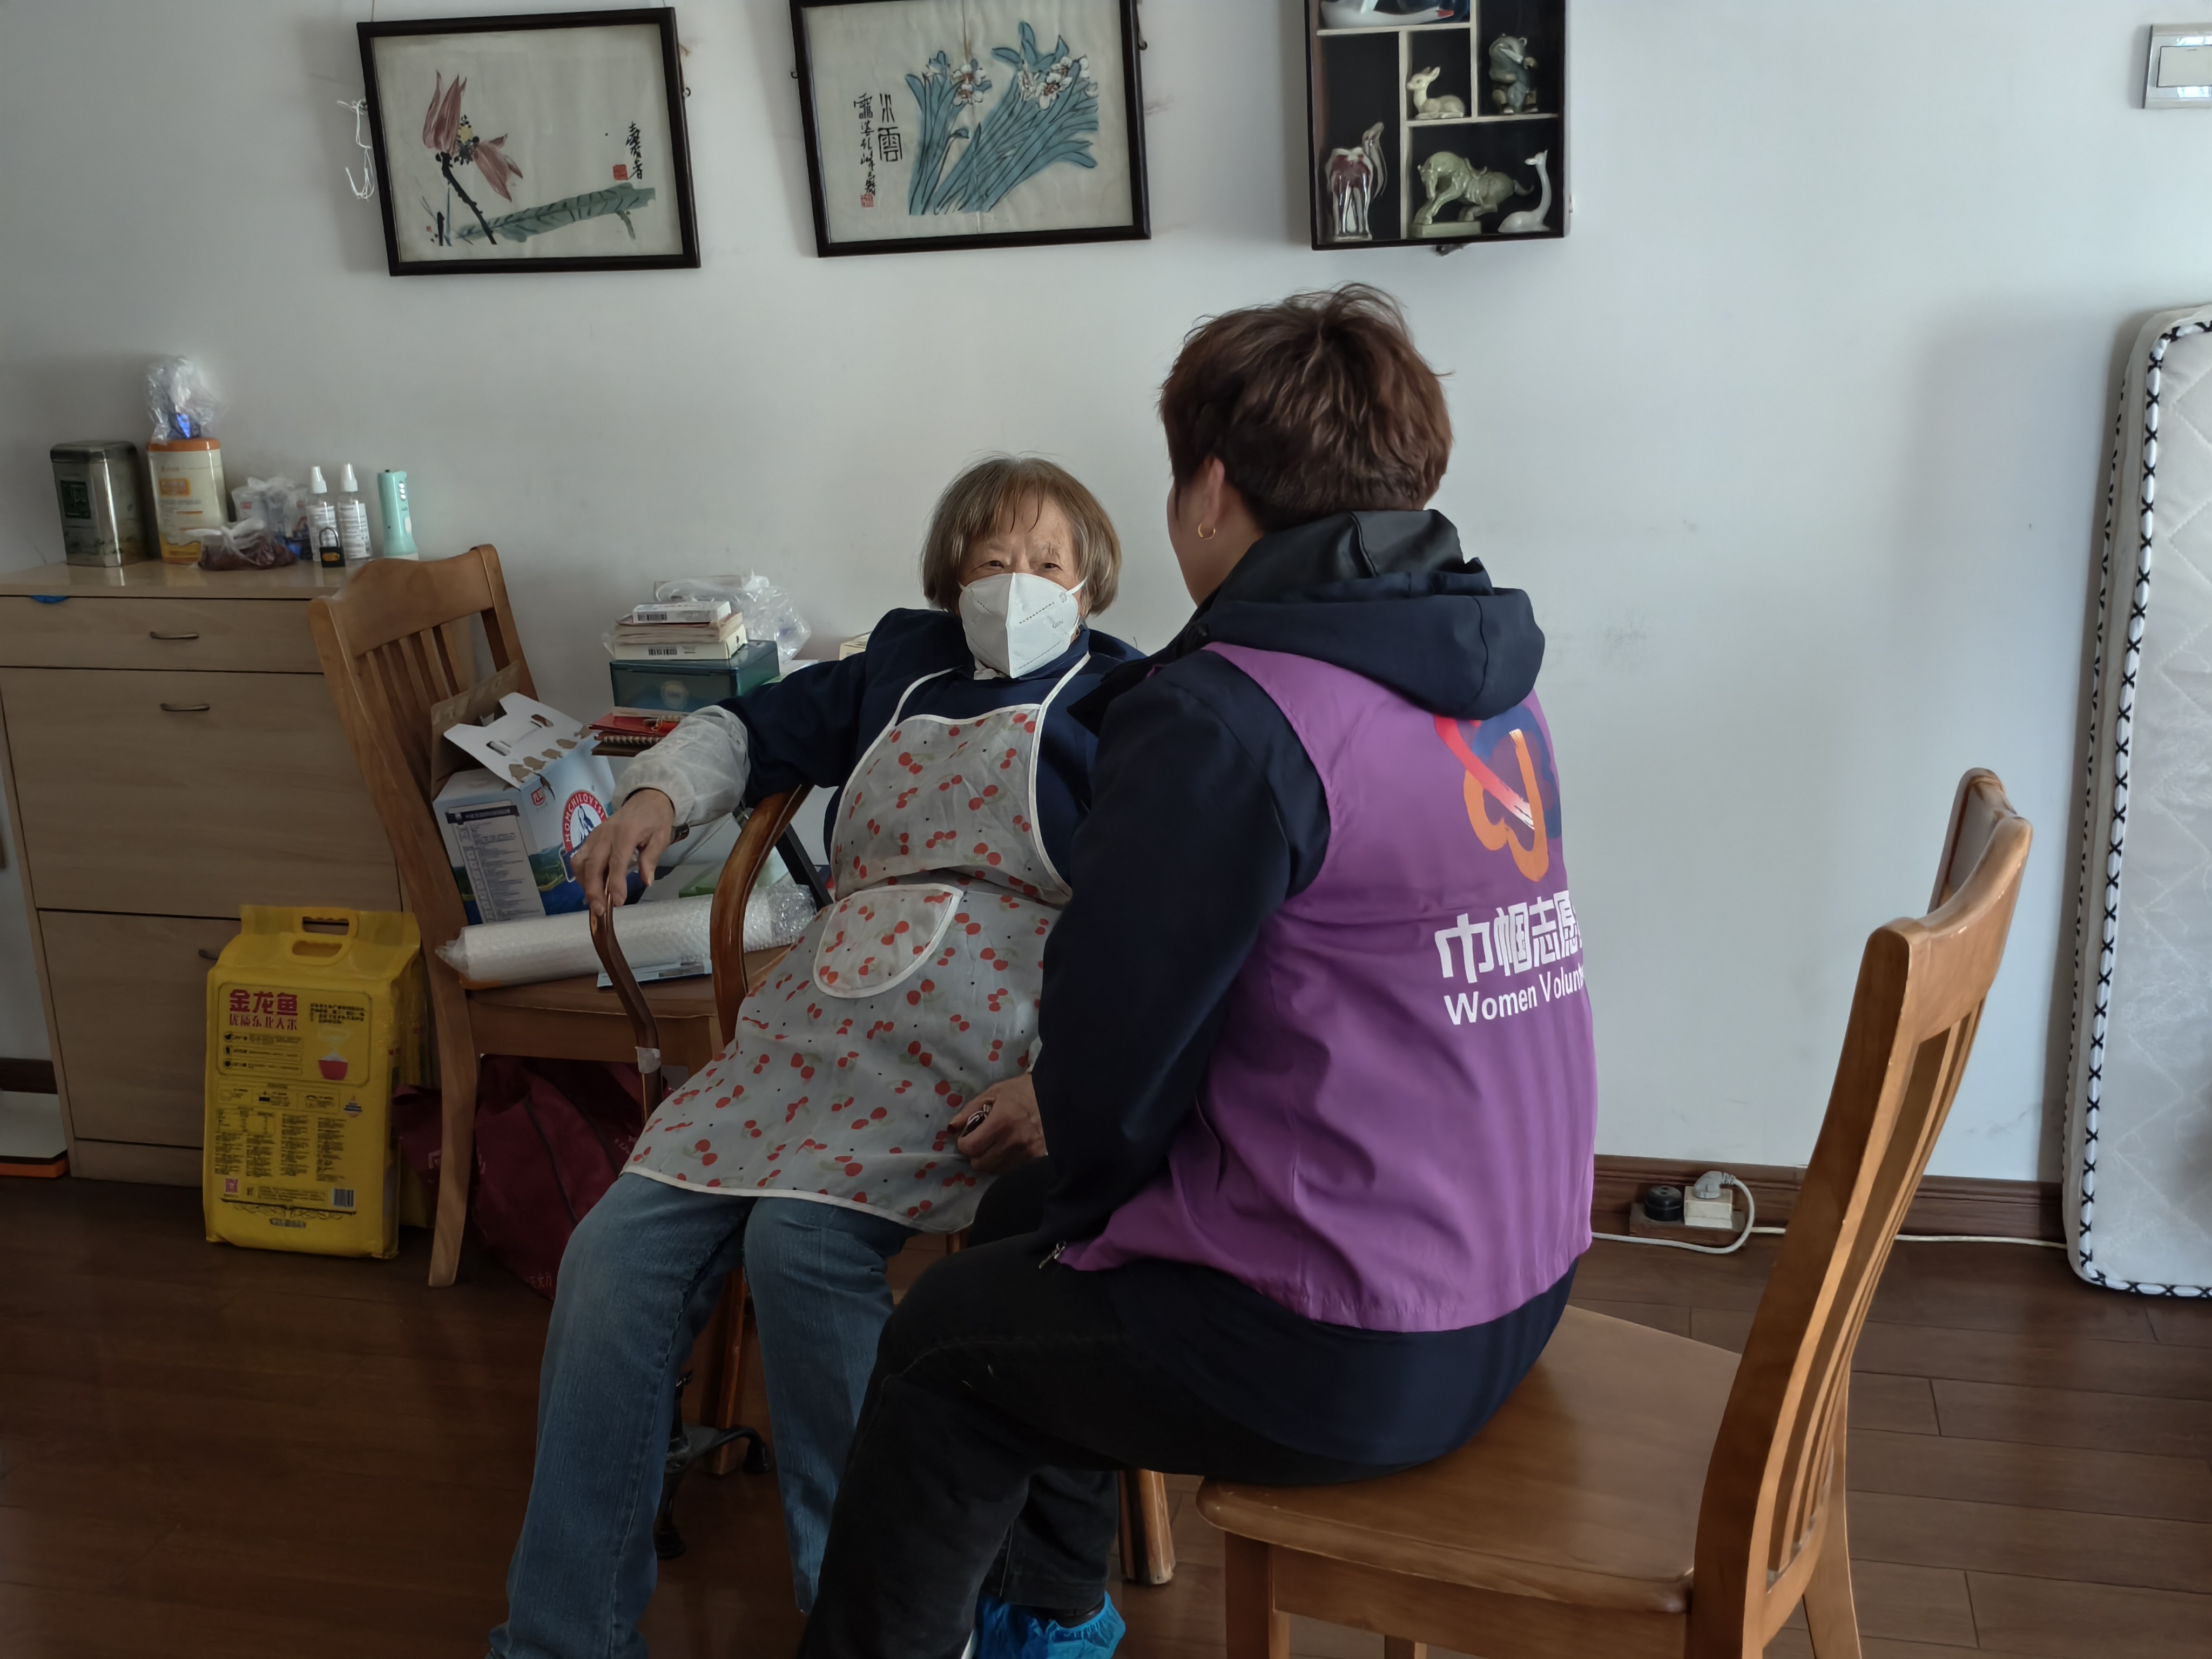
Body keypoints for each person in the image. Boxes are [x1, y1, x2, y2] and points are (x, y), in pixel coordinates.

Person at [797, 286, 1597, 1659]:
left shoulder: (1231, 713)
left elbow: (1110, 1060)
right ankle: (1049, 1618)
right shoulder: (1487, 680)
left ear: (1209, 490)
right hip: (1521, 1277)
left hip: (1356, 1343)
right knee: (1028, 1219)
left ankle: (995, 1622)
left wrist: (1098, 1207)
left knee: (943, 1343)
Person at [487, 456, 1137, 1659]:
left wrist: (1064, 1080)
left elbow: (1149, 921)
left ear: (1091, 582)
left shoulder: (1128, 700)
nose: (1019, 583)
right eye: (993, 559)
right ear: (950, 578)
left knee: (804, 1243)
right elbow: (741, 729)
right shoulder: (898, 663)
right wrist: (655, 799)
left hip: (986, 1027)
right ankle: (560, 1641)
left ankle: (874, 1626)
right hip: (819, 1014)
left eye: (1048, 563)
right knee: (610, 1260)